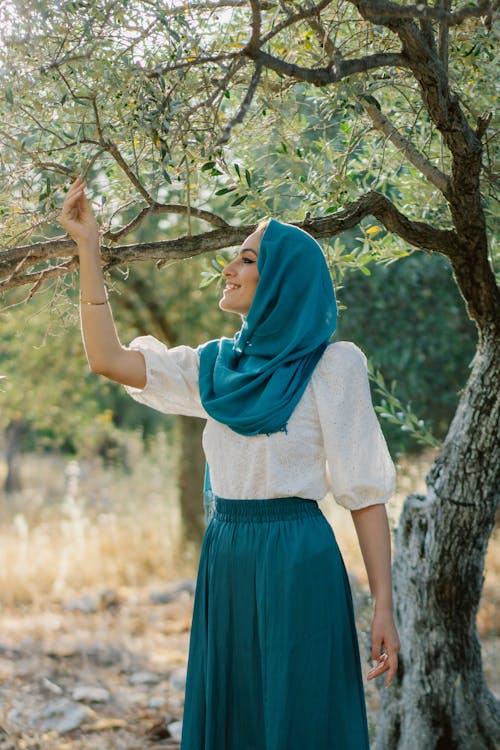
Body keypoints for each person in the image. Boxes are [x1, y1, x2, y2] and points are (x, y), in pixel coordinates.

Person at [59, 177, 401, 750]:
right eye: (233, 257)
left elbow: (364, 496)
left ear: (283, 282)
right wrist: (87, 250)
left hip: (299, 560)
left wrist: (385, 607)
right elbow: (107, 359)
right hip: (227, 556)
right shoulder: (215, 370)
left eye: (246, 258)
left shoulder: (333, 368)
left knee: (299, 717)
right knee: (235, 718)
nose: (230, 268)